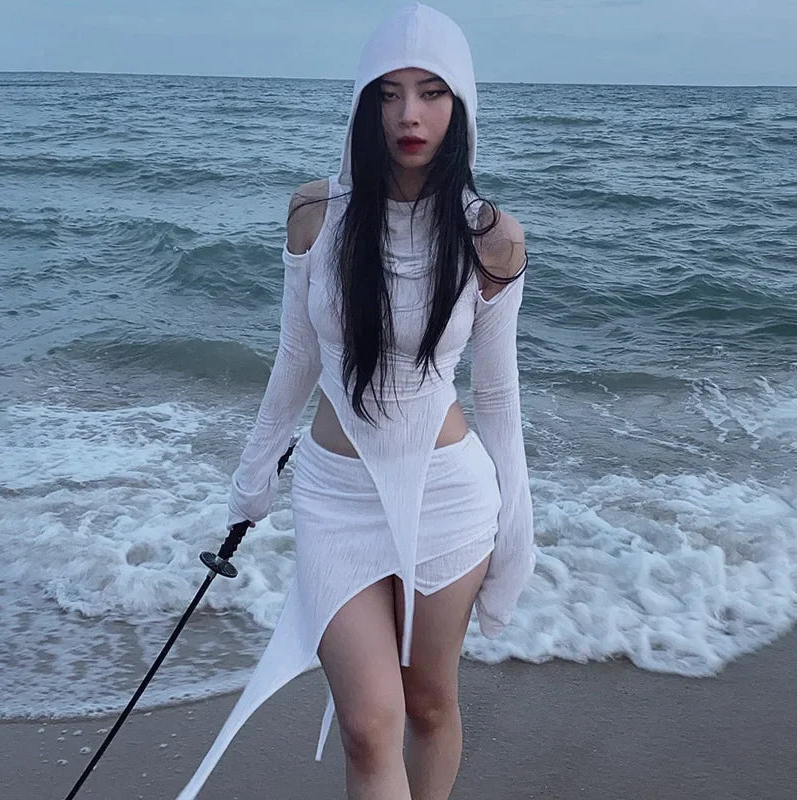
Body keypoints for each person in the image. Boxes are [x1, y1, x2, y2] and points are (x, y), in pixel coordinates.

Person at [175, 3, 535, 799]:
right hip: (335, 497)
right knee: (369, 726)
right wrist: (251, 482)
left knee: (429, 704)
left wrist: (517, 536)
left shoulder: (492, 238)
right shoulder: (317, 216)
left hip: (449, 497)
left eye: (432, 92)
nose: (409, 115)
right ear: (363, 104)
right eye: (389, 93)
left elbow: (499, 398)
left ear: (461, 105)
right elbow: (296, 358)